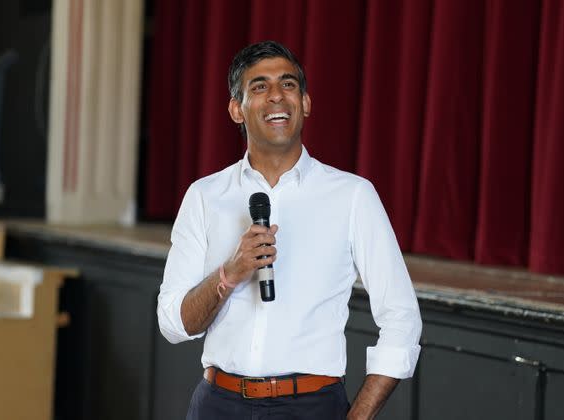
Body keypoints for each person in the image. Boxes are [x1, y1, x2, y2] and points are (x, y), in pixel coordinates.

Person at [157, 40, 422, 419]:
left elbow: (401, 317)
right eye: (260, 87)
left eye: (288, 84)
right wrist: (229, 274)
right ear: (236, 109)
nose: (277, 96)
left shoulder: (352, 196)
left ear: (306, 103)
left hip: (312, 406)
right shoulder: (204, 196)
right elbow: (173, 324)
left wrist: (358, 415)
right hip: (218, 404)